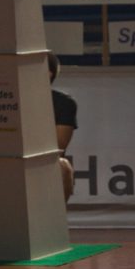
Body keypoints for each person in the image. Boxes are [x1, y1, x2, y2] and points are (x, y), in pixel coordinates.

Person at [49, 52, 78, 202]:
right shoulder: (9, 99)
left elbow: (59, 145)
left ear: (49, 74)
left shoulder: (64, 103)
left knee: (63, 166)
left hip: (43, 163)